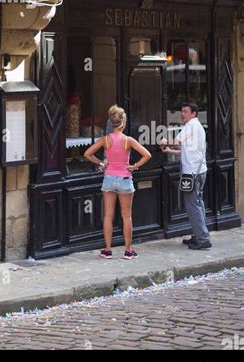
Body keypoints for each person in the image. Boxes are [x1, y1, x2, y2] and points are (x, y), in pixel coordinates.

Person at [85, 105, 151, 259]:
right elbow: (147, 155)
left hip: (109, 179)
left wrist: (101, 164)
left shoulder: (106, 140)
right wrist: (134, 166)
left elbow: (87, 153)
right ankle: (128, 250)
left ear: (111, 122)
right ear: (123, 123)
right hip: (125, 179)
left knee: (108, 215)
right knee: (126, 216)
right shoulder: (128, 140)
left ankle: (107, 250)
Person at [161, 101, 212, 250]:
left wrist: (165, 141)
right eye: (182, 111)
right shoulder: (198, 127)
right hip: (199, 170)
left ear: (193, 114)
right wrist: (169, 151)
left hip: (191, 173)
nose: (182, 114)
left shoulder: (190, 125)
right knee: (198, 203)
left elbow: (176, 141)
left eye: (185, 111)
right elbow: (186, 149)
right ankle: (198, 235)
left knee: (192, 205)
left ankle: (203, 239)